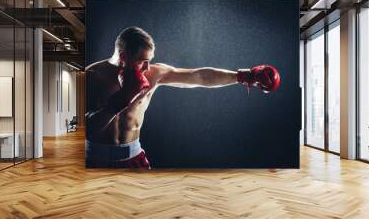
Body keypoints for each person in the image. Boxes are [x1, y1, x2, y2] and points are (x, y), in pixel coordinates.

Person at [85, 27, 281, 169]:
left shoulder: (154, 74)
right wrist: (120, 101)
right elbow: (88, 127)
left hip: (134, 156)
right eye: (142, 62)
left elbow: (199, 76)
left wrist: (243, 76)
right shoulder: (93, 76)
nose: (147, 68)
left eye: (150, 61)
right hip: (96, 159)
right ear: (123, 56)